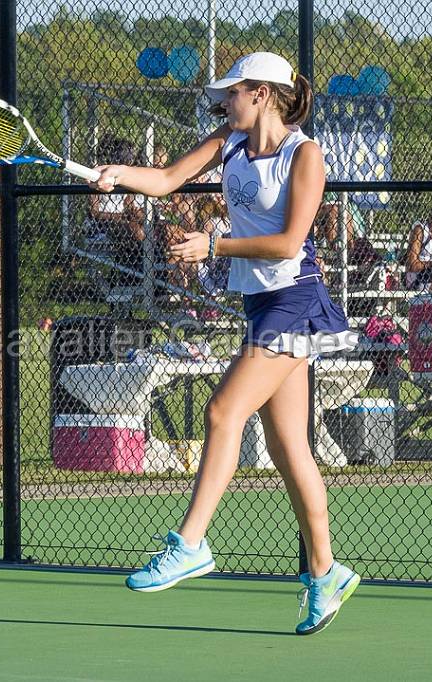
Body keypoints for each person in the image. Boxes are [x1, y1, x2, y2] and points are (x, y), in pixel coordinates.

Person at [90, 51, 360, 635]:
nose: (222, 102)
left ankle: (190, 544)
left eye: (231, 93)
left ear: (261, 94)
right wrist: (119, 176)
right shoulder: (230, 142)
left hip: (296, 300)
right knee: (289, 445)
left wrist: (214, 246)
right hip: (261, 303)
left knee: (222, 411)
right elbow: (165, 181)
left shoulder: (304, 154)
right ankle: (325, 572)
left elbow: (290, 243)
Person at [87, 136, 145, 280]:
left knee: (149, 225)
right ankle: (136, 274)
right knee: (135, 230)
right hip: (103, 223)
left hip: (125, 219)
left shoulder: (127, 175)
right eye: (127, 155)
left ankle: (144, 272)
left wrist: (137, 212)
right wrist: (118, 216)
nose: (130, 159)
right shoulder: (98, 174)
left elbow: (129, 204)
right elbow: (94, 212)